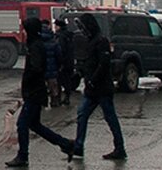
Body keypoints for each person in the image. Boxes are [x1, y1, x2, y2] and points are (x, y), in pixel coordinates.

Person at [5, 16, 75, 167]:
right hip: (35, 91)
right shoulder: (36, 44)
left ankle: (23, 156)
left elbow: (36, 68)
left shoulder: (35, 46)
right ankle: (65, 144)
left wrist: (29, 84)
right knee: (35, 125)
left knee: (22, 124)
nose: (23, 33)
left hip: (34, 92)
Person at [72, 13, 127, 161]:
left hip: (101, 89)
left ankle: (120, 148)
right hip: (93, 88)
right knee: (82, 115)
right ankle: (78, 147)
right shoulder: (91, 41)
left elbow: (103, 64)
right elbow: (92, 63)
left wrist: (92, 80)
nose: (82, 31)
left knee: (110, 118)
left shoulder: (100, 41)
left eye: (83, 27)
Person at [55, 16, 78, 106]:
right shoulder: (69, 35)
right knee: (68, 80)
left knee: (60, 81)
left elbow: (61, 50)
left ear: (59, 27)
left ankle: (60, 99)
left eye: (56, 26)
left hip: (62, 63)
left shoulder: (60, 36)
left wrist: (60, 62)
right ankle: (67, 98)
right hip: (70, 62)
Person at [42, 22, 62, 107]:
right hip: (53, 70)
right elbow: (59, 56)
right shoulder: (54, 42)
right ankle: (55, 102)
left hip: (42, 69)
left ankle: (43, 103)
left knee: (42, 87)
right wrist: (59, 66)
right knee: (53, 87)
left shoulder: (38, 43)